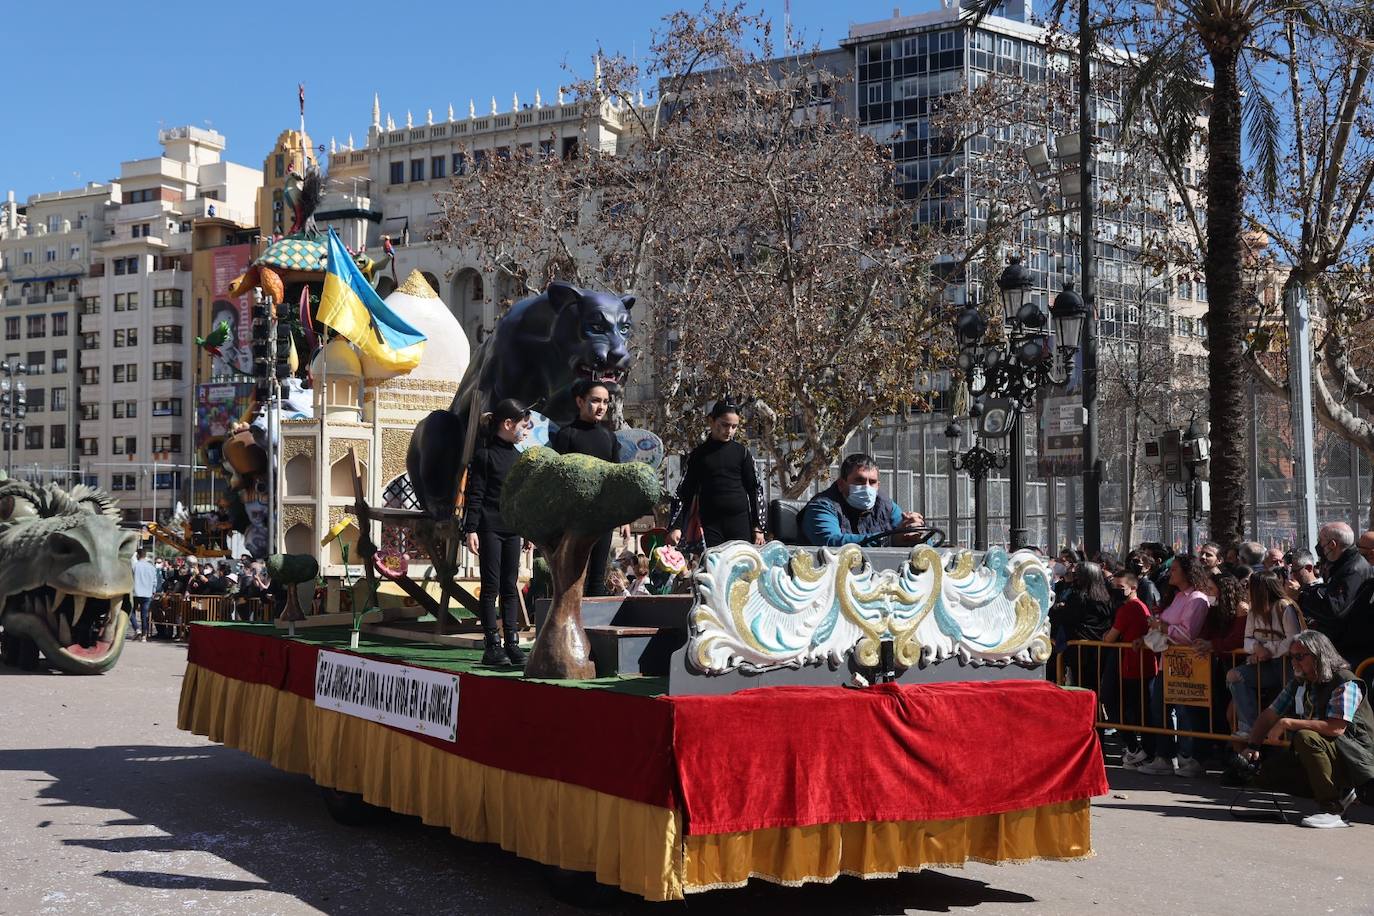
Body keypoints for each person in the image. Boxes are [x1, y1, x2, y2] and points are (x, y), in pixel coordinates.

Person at [1237, 630, 1374, 828]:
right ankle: (1341, 792)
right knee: (1265, 774)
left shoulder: (1345, 682)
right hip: (1329, 753)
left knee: (1306, 737)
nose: (1294, 662)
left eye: (1300, 656)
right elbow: (1269, 715)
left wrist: (1288, 723)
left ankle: (1332, 809)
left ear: (1319, 655)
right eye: (1291, 657)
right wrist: (1252, 746)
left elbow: (1336, 728)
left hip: (1357, 758)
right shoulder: (1301, 682)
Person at [464, 398, 532, 666]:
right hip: (489, 527)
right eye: (522, 425)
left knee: (510, 586)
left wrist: (526, 528)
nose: (525, 430)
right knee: (491, 586)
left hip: (512, 529)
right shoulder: (485, 454)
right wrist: (471, 529)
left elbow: (520, 498)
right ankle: (492, 644)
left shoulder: (519, 457)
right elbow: (476, 494)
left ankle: (512, 643)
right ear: (507, 424)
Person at [1139, 555, 1215, 777]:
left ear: (1186, 572)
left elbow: (1187, 634)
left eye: (1174, 570)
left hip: (1189, 664)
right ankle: (1164, 755)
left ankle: (1193, 758)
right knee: (1159, 708)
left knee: (1187, 712)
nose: (1170, 573)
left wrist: (1161, 627)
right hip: (1168, 662)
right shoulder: (1178, 597)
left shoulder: (1197, 599)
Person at [551, 379, 623, 597]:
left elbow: (616, 478)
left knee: (598, 574)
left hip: (603, 516)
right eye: (595, 401)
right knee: (573, 573)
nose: (601, 406)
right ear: (580, 401)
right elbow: (557, 478)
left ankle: (594, 628)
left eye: (605, 402)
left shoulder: (609, 438)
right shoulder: (567, 435)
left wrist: (622, 516)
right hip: (575, 517)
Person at [667, 400, 766, 549]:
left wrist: (758, 527)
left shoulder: (743, 453)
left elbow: (755, 490)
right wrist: (676, 526)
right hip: (710, 523)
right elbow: (685, 492)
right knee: (714, 567)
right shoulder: (698, 455)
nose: (730, 431)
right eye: (725, 425)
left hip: (739, 522)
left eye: (734, 427)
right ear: (711, 421)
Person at [1228, 572, 1304, 739]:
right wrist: (1256, 648)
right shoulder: (1254, 610)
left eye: (1250, 586)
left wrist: (1268, 650)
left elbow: (1294, 638)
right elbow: (1247, 638)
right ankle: (1251, 727)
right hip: (1265, 665)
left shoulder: (1285, 607)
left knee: (1292, 700)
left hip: (1289, 665)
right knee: (1234, 676)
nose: (1246, 590)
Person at [800, 453, 924, 547]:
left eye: (872, 482)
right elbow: (830, 542)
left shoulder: (886, 505)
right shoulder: (822, 506)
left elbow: (906, 534)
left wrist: (917, 533)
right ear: (841, 484)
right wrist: (889, 540)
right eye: (859, 480)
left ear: (878, 485)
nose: (867, 487)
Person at [1103, 570, 1158, 768]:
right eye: (1114, 587)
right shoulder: (1138, 607)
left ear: (1133, 588)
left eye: (1121, 587)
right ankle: (1142, 750)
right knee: (1139, 709)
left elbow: (1110, 638)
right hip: (1138, 664)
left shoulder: (1130, 608)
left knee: (1121, 704)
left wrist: (1107, 636)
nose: (1116, 591)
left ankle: (1138, 749)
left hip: (1133, 665)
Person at [1306, 522, 1371, 641]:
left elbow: (1335, 609)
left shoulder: (1353, 569)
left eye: (1321, 541)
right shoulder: (1342, 565)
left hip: (1351, 644)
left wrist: (1303, 597)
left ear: (1332, 544)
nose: (1319, 546)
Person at [131, 549, 157, 642]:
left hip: (135, 593)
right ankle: (144, 636)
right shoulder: (152, 567)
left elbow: (130, 578)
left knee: (131, 611)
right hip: (147, 594)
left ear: (138, 555)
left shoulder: (134, 566)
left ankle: (137, 629)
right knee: (144, 615)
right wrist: (153, 591)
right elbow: (155, 582)